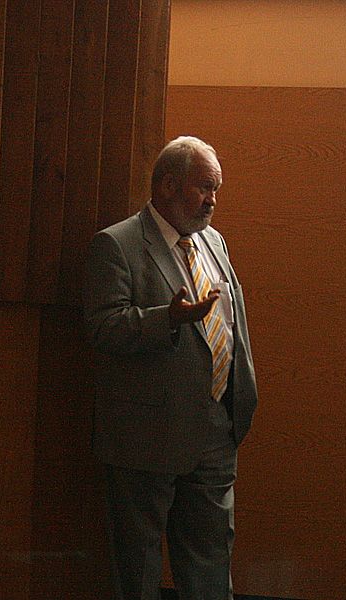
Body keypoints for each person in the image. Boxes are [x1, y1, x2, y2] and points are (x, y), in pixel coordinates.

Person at [82, 136, 258, 600]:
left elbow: (231, 322)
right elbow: (103, 330)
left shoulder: (213, 241)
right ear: (167, 186)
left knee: (210, 567)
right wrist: (168, 319)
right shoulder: (116, 244)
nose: (212, 200)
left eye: (216, 189)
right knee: (138, 569)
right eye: (204, 187)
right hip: (146, 438)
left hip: (216, 430)